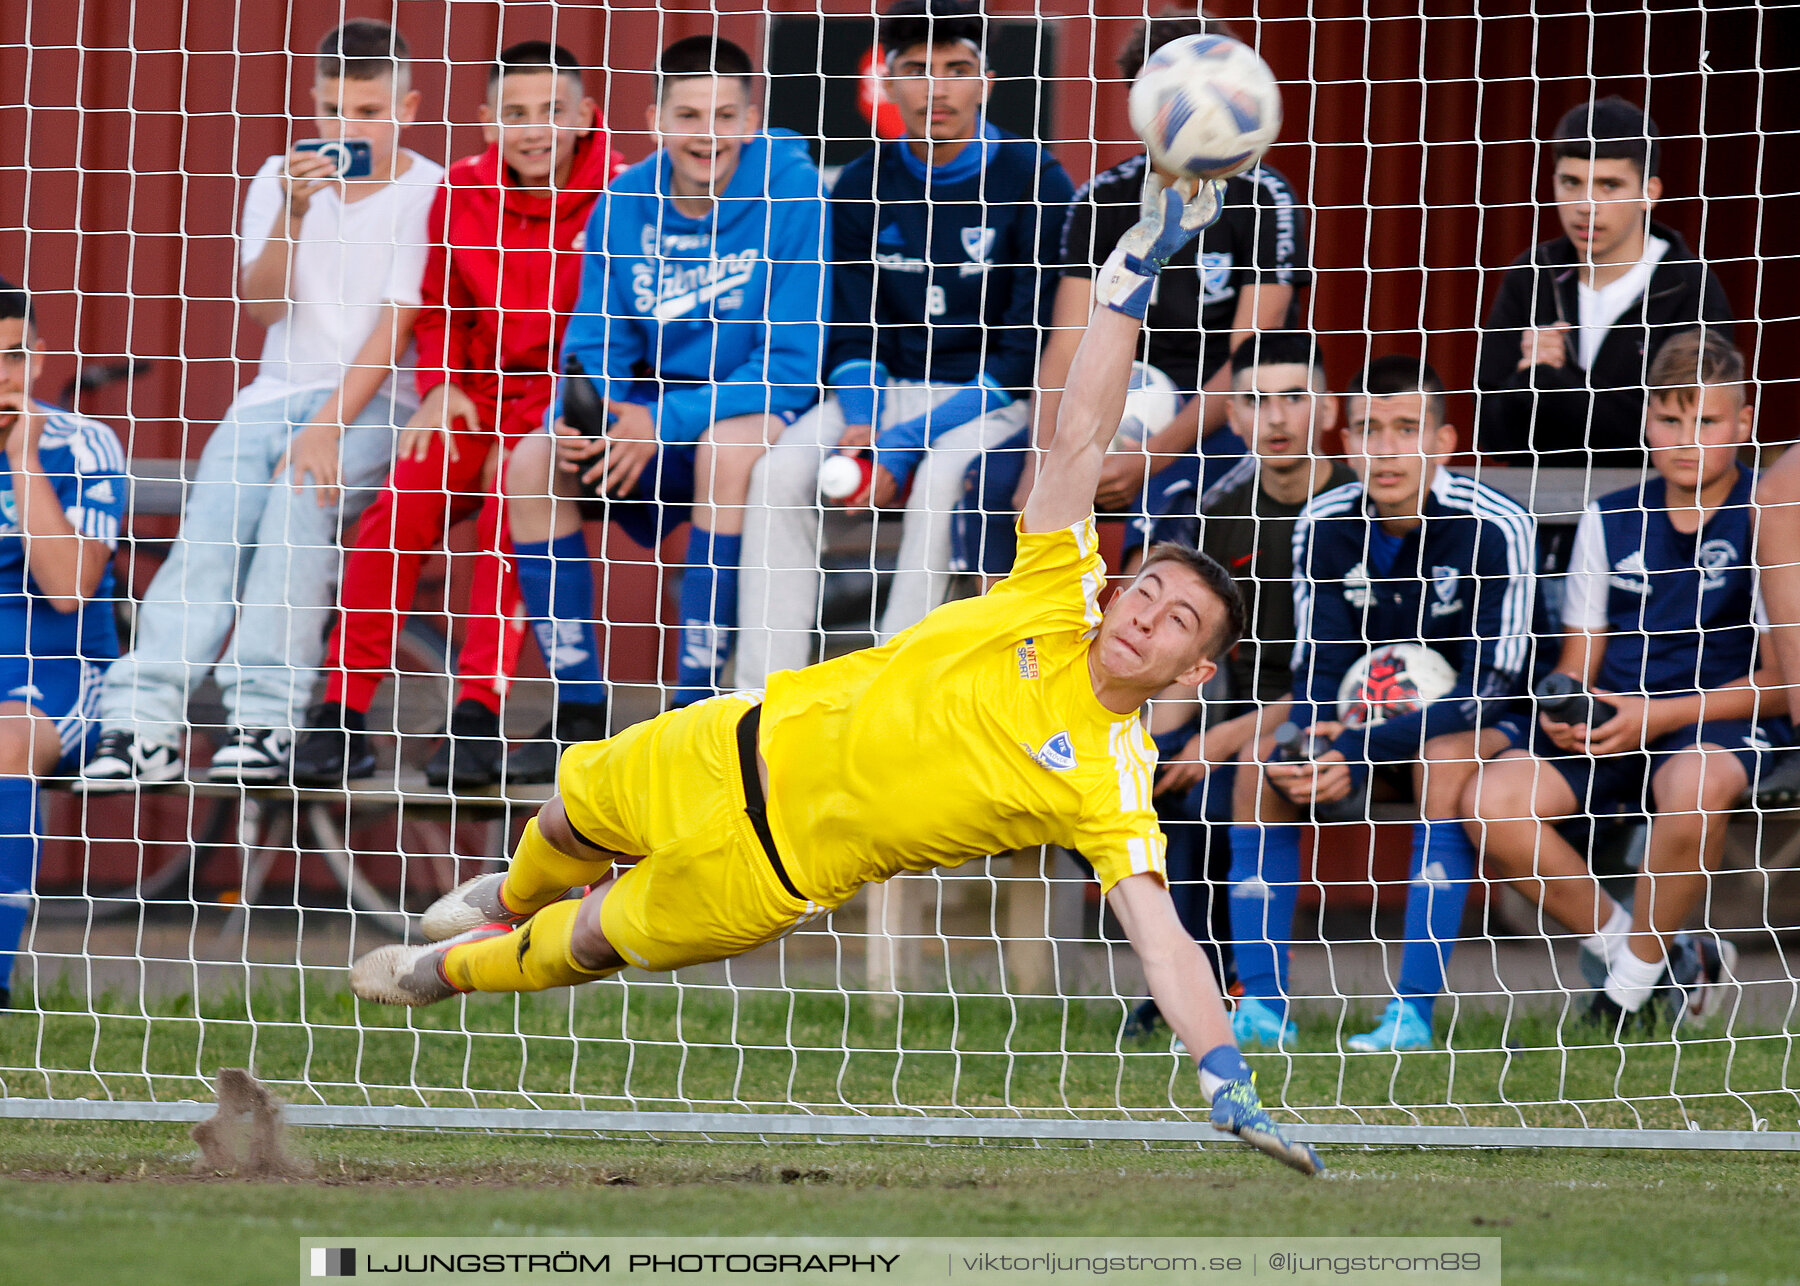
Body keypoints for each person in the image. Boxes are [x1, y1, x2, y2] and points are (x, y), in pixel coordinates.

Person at [350, 172, 1325, 1177]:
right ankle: (510, 893)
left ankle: (441, 973)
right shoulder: (1054, 587)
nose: (1145, 618)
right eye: (1146, 591)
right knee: (569, 816)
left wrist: (1224, 1072)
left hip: (764, 872)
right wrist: (1127, 282)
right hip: (730, 742)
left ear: (1193, 666)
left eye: (1176, 622)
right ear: (1119, 587)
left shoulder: (1112, 785)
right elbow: (1076, 429)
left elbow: (1163, 940)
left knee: (591, 940)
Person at [79, 19, 441, 789]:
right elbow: (263, 306)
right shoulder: (280, 177)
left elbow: (395, 327)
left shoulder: (426, 188)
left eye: (372, 111)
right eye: (337, 108)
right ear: (314, 104)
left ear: (408, 106)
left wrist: (325, 428)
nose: (352, 127)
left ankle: (266, 721)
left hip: (373, 400)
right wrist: (294, 211)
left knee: (294, 514)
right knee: (206, 531)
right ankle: (141, 725)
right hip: (272, 393)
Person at [292, 41, 622, 788]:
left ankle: (476, 711)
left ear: (584, 115)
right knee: (402, 494)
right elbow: (441, 305)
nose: (534, 130)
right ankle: (343, 712)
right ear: (485, 121)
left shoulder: (623, 191)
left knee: (516, 501)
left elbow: (624, 320)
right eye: (515, 114)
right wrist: (441, 382)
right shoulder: (463, 188)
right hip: (476, 391)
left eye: (551, 112)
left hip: (562, 402)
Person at [497, 35, 826, 743]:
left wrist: (662, 420)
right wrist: (588, 415)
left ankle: (694, 706)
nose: (707, 134)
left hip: (749, 408)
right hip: (646, 420)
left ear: (751, 118)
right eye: (687, 115)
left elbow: (790, 366)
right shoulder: (624, 200)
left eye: (724, 116)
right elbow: (593, 346)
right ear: (655, 119)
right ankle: (578, 707)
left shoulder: (793, 189)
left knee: (725, 450)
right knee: (529, 463)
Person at [734, 0, 1073, 684]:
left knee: (944, 479)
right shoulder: (861, 184)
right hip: (882, 394)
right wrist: (863, 424)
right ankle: (762, 703)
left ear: (987, 82)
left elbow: (1019, 359)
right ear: (885, 82)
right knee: (776, 477)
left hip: (988, 401)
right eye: (917, 69)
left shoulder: (1036, 180)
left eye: (956, 69)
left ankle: (892, 691)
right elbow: (853, 333)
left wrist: (902, 444)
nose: (937, 88)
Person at [1467, 331, 1771, 1031]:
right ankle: (1661, 960)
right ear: (1646, 420)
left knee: (1694, 784)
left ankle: (1621, 1001)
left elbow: (1784, 680)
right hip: (1619, 719)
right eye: (1670, 420)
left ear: (1745, 422)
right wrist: (1566, 703)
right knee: (1491, 800)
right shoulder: (1612, 517)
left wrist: (1657, 717)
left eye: (1708, 422)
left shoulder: (1768, 514)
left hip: (1716, 721)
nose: (1687, 440)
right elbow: (1582, 653)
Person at [1228, 358, 1535, 1052]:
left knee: (1443, 754)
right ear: (1346, 441)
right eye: (1368, 429)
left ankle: (1412, 1014)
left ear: (1444, 440)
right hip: (1359, 727)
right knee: (1260, 766)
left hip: (1476, 727)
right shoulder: (1324, 523)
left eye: (1406, 428)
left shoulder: (1495, 526)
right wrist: (1314, 740)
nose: (1386, 449)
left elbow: (1493, 685)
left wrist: (1353, 749)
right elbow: (1320, 667)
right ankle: (1261, 1009)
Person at [957, 6, 1307, 579]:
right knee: (991, 483)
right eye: (1163, 96)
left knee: (1165, 511)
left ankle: (1143, 662)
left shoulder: (1263, 196)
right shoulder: (1101, 198)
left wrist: (1153, 456)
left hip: (1211, 422)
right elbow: (1065, 348)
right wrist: (1046, 462)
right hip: (1109, 407)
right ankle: (1011, 653)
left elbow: (1251, 361)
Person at [1128, 331, 1356, 1033]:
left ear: (1328, 411)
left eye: (1295, 398)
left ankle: (1225, 981)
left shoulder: (1359, 506)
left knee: (1212, 787)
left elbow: (1353, 671)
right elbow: (1181, 647)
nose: (1277, 419)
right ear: (1232, 417)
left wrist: (1218, 740)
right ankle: (1182, 981)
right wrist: (1155, 748)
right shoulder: (1217, 509)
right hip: (1237, 712)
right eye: (1256, 401)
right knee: (1147, 784)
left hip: (1340, 718)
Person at [1474, 96, 1733, 470]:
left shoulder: (1689, 286)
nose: (1586, 204)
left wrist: (1553, 385)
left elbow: (1683, 438)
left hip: (1646, 513)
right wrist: (1526, 383)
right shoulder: (1531, 275)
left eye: (1609, 185)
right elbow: (1493, 437)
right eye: (1571, 182)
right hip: (1540, 513)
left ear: (1650, 193)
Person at [0, 277, 127, 1009]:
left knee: (7, 736)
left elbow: (69, 586)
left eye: (15, 356)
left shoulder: (84, 442)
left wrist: (22, 460)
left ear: (41, 357)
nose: (3, 377)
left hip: (56, 674)